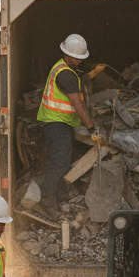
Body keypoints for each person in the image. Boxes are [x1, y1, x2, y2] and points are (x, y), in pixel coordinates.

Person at [37, 34, 95, 212]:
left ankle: (56, 195)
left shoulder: (62, 69)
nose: (79, 61)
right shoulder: (65, 75)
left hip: (61, 124)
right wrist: (91, 127)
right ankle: (46, 199)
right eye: (77, 58)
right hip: (57, 124)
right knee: (59, 163)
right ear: (68, 54)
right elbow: (78, 105)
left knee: (62, 161)